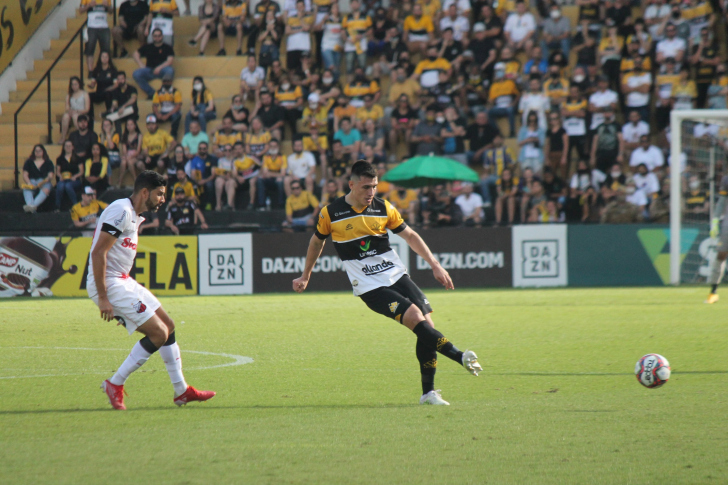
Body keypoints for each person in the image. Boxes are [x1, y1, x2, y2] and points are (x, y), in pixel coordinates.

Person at [292, 161, 481, 405]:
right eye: (365, 187)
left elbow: (410, 235)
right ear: (351, 185)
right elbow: (317, 242)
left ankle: (428, 393)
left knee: (428, 325)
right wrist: (306, 275)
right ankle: (460, 356)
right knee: (415, 317)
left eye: (374, 187)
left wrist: (435, 264)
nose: (371, 193)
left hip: (396, 275)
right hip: (370, 286)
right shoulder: (331, 213)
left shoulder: (383, 208)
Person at [90, 170, 215, 410]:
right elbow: (98, 252)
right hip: (110, 283)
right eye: (159, 194)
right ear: (145, 192)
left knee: (168, 325)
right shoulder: (122, 211)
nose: (162, 199)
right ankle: (114, 383)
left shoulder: (133, 215)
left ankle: (181, 391)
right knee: (159, 333)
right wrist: (105, 298)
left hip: (122, 281)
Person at [132, 28, 175, 99]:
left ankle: (164, 92)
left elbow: (170, 61)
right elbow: (135, 54)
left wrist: (159, 68)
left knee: (170, 70)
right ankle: (152, 93)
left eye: (159, 36)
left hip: (162, 70)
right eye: (155, 36)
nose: (157, 38)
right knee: (136, 74)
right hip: (149, 70)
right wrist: (140, 64)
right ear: (152, 37)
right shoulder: (148, 46)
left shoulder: (168, 47)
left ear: (162, 36)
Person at [22, 145, 55, 213]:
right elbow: (25, 174)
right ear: (33, 152)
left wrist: (44, 181)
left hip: (44, 181)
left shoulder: (48, 162)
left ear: (43, 151)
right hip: (32, 181)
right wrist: (29, 183)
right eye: (36, 151)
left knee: (46, 189)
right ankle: (30, 206)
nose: (38, 152)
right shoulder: (29, 162)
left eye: (39, 150)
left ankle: (32, 206)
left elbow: (50, 175)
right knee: (26, 189)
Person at [80, 0, 112, 72]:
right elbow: (81, 10)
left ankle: (105, 70)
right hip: (91, 27)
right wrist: (88, 5)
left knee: (106, 50)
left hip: (104, 27)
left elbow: (111, 11)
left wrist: (107, 6)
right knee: (90, 50)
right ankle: (90, 71)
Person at [256, 138, 287, 209]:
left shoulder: (283, 157)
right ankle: (262, 205)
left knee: (280, 181)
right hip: (269, 179)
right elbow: (265, 173)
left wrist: (271, 174)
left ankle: (281, 204)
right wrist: (273, 174)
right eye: (271, 146)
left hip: (278, 179)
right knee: (260, 180)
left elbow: (283, 174)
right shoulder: (266, 157)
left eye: (275, 146)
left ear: (278, 147)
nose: (273, 148)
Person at [285, 0, 314, 72]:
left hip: (304, 46)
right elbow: (287, 31)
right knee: (291, 69)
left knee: (304, 68)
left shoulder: (309, 17)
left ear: (304, 7)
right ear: (296, 7)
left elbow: (307, 28)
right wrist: (300, 30)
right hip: (292, 47)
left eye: (301, 6)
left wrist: (300, 18)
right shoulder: (291, 18)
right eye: (298, 6)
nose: (300, 8)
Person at [60, 77, 92, 144]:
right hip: (72, 112)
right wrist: (70, 111)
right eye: (72, 84)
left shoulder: (84, 94)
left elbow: (87, 109)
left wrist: (77, 111)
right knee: (65, 116)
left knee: (75, 117)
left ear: (79, 84)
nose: (74, 86)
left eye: (75, 84)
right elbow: (67, 107)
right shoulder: (69, 95)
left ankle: (81, 136)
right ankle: (63, 137)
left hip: (83, 113)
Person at [152, 73, 182, 139]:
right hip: (162, 112)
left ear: (171, 82)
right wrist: (157, 114)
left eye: (168, 81)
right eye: (164, 81)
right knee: (150, 117)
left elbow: (178, 106)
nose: (166, 83)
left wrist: (167, 115)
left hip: (172, 113)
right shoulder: (158, 92)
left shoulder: (176, 92)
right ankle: (154, 133)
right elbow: (154, 105)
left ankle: (173, 135)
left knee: (177, 116)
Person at [56, 140, 84, 210]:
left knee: (68, 186)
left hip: (74, 180)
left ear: (72, 147)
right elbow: (58, 171)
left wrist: (75, 176)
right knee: (60, 186)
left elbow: (81, 171)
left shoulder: (78, 158)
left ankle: (75, 205)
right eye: (66, 146)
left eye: (69, 146)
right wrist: (60, 176)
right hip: (64, 179)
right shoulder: (60, 159)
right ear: (64, 147)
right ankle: (57, 207)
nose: (68, 147)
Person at [518, 111, 546, 175]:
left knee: (537, 176)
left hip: (537, 156)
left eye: (534, 120)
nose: (532, 122)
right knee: (527, 175)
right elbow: (519, 143)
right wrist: (527, 140)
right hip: (526, 156)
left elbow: (542, 143)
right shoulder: (523, 129)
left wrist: (536, 140)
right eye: (530, 121)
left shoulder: (540, 130)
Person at [119, 118, 142, 187]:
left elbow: (138, 150)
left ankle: (135, 179)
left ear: (135, 125)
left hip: (135, 155)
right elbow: (124, 150)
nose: (129, 126)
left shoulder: (139, 135)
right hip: (127, 155)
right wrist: (126, 156)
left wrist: (130, 156)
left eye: (131, 124)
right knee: (123, 162)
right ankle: (120, 181)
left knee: (130, 162)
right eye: (128, 125)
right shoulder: (125, 136)